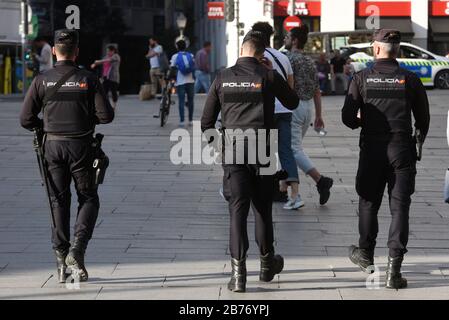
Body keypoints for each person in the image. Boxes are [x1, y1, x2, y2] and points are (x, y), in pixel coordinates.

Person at [201, 30, 299, 293]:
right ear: (262, 54)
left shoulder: (222, 78)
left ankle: (238, 275)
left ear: (241, 51)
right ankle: (267, 266)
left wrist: (221, 150)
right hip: (263, 152)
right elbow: (293, 100)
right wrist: (273, 73)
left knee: (237, 212)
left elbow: (206, 123)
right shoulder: (267, 76)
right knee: (262, 211)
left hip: (233, 152)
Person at [20, 29, 114, 283]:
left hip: (52, 146)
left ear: (53, 51)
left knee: (58, 201)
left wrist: (44, 125)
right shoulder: (88, 78)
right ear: (77, 52)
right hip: (82, 146)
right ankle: (77, 250)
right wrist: (85, 118)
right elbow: (106, 116)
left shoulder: (42, 80)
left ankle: (61, 260)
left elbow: (25, 119)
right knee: (89, 198)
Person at [342, 29, 430, 289]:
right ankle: (394, 270)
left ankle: (366, 254)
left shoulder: (361, 78)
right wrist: (416, 138)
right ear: (398, 50)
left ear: (376, 49)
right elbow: (423, 120)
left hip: (372, 149)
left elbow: (347, 118)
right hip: (402, 150)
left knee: (368, 203)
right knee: (400, 207)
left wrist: (364, 120)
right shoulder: (411, 80)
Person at [252, 21, 300, 209]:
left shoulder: (258, 57)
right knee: (286, 150)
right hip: (285, 110)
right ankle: (294, 194)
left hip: (267, 109)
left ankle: (268, 189)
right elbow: (290, 87)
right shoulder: (283, 57)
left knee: (265, 151)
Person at [284, 26, 334, 206]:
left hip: (293, 108)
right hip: (307, 109)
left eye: (288, 37)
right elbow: (317, 90)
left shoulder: (288, 59)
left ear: (295, 40)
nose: (285, 39)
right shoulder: (309, 61)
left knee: (292, 150)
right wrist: (318, 115)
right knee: (291, 149)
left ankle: (321, 180)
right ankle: (283, 188)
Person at [171, 39, 195, 127]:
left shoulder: (175, 56)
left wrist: (171, 78)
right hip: (190, 81)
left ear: (177, 47)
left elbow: (172, 68)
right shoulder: (191, 55)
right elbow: (193, 66)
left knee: (181, 101)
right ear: (186, 46)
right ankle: (190, 120)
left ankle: (182, 121)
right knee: (191, 101)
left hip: (180, 82)